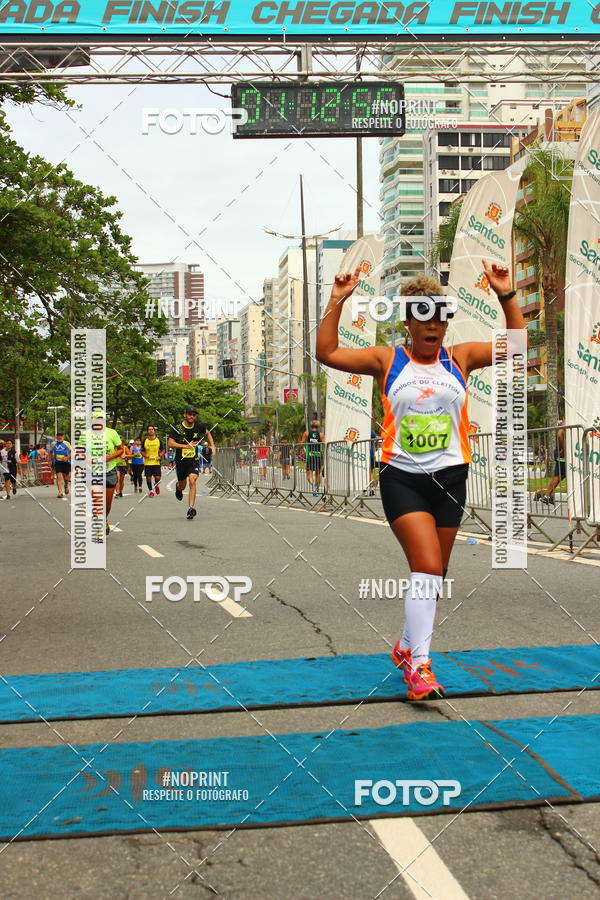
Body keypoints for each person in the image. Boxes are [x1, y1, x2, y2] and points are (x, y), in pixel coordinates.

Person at [316, 260, 526, 701]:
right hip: (403, 478)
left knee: (437, 574)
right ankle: (420, 666)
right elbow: (327, 352)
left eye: (440, 318)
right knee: (427, 567)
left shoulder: (460, 357)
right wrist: (337, 300)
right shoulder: (387, 359)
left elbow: (516, 344)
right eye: (423, 317)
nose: (433, 326)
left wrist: (506, 293)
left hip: (451, 478)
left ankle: (406, 645)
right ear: (409, 322)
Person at [80, 411, 124, 534]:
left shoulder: (112, 433)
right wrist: (89, 459)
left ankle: (104, 519)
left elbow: (121, 449)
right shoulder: (85, 435)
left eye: (102, 419)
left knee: (107, 503)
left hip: (109, 470)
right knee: (97, 500)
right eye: (97, 419)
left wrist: (110, 457)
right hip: (92, 471)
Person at [168, 406, 216, 520]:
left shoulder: (199, 426)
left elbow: (208, 433)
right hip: (181, 460)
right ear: (185, 415)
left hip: (193, 460)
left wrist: (212, 445)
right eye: (190, 414)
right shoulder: (178, 428)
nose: (192, 416)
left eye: (194, 415)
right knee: (182, 485)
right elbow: (170, 443)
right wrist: (186, 446)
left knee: (192, 480)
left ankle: (191, 508)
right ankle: (178, 487)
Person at [535, 421, 566, 505]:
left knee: (561, 475)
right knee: (559, 475)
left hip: (562, 452)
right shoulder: (566, 422)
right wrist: (563, 449)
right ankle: (547, 495)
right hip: (562, 453)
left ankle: (547, 496)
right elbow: (559, 434)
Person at [301, 418, 325, 496]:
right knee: (317, 474)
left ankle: (313, 486)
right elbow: (324, 445)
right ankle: (317, 490)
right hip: (318, 456)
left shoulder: (306, 433)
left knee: (309, 475)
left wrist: (297, 450)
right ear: (318, 427)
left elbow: (301, 443)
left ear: (311, 426)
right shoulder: (321, 435)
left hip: (310, 456)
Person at [142, 425, 163, 497]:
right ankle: (151, 491)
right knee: (148, 478)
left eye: (152, 429)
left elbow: (163, 450)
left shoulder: (158, 440)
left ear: (154, 431)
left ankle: (156, 485)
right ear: (147, 431)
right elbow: (142, 451)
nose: (151, 431)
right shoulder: (145, 440)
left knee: (158, 477)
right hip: (148, 463)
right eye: (149, 429)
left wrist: (159, 456)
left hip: (156, 462)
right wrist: (145, 455)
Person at [50, 432, 72, 498]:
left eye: (61, 436)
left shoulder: (66, 443)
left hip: (66, 462)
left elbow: (72, 451)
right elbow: (51, 452)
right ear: (56, 437)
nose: (59, 437)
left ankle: (66, 485)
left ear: (63, 437)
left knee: (66, 478)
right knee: (58, 477)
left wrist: (67, 457)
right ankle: (60, 492)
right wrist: (50, 460)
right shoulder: (53, 444)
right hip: (58, 463)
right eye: (58, 436)